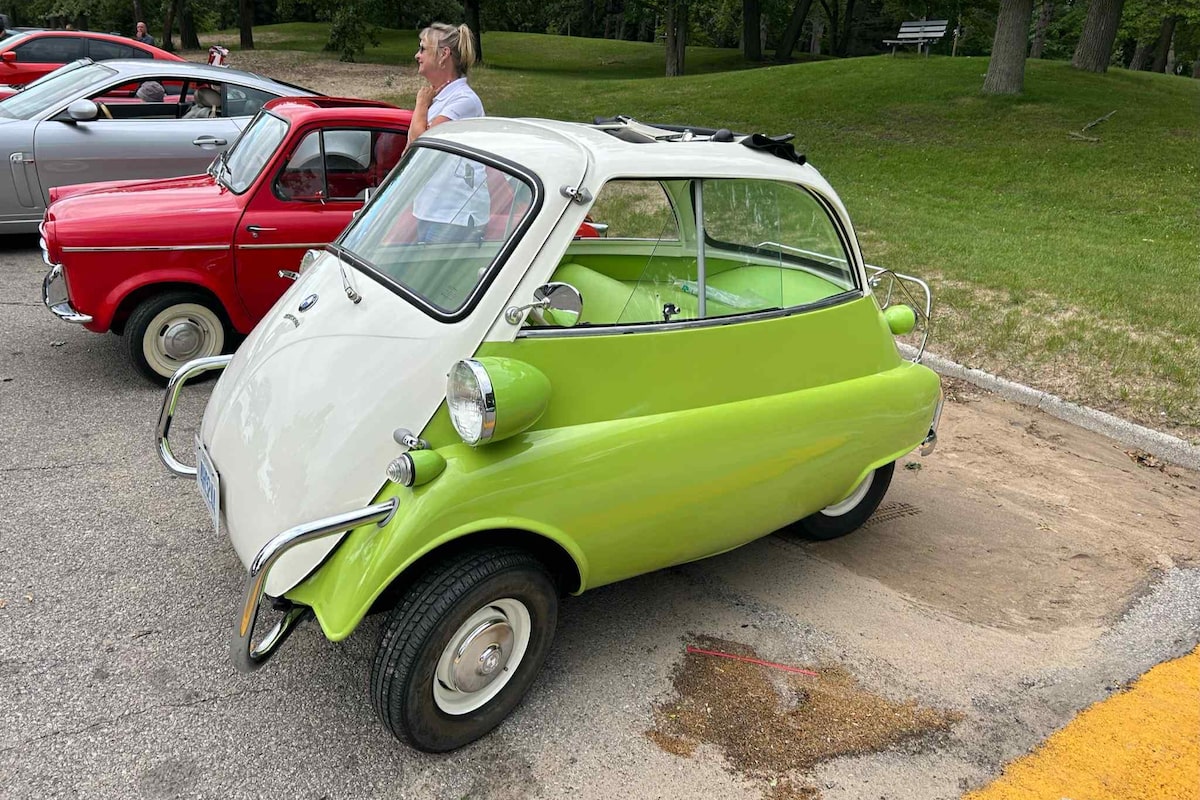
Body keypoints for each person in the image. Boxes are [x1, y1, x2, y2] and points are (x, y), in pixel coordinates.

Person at [408, 23, 487, 244]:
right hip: (430, 210)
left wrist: (421, 104)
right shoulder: (441, 99)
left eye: (423, 49)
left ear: (444, 55)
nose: (417, 55)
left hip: (454, 215)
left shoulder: (464, 100)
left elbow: (421, 143)